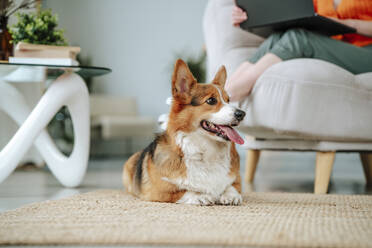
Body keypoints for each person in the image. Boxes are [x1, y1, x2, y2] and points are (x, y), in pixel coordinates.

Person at [225, 0, 372, 102]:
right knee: (279, 36)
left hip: (367, 53)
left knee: (299, 38)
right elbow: (304, 15)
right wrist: (249, 17)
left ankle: (229, 95)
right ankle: (222, 92)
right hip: (337, 49)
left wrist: (348, 24)